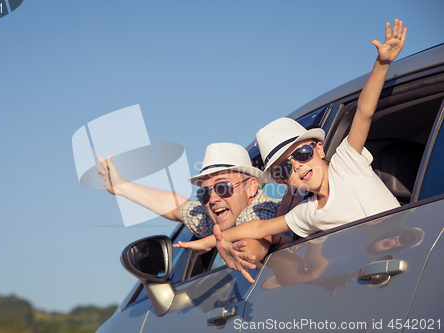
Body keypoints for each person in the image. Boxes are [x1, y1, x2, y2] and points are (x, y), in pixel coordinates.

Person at [174, 19, 406, 269]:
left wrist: (382, 63)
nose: (296, 167)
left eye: (303, 154)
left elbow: (363, 112)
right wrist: (207, 242)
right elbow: (259, 227)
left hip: (408, 250)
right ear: (283, 182)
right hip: (380, 270)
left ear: (319, 149)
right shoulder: (307, 213)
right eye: (284, 169)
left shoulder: (347, 163)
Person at [95, 142, 283, 279]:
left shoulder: (261, 208)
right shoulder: (217, 216)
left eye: (223, 187)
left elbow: (258, 235)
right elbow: (177, 208)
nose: (213, 198)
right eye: (203, 193)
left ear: (251, 187)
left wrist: (244, 252)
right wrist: (121, 187)